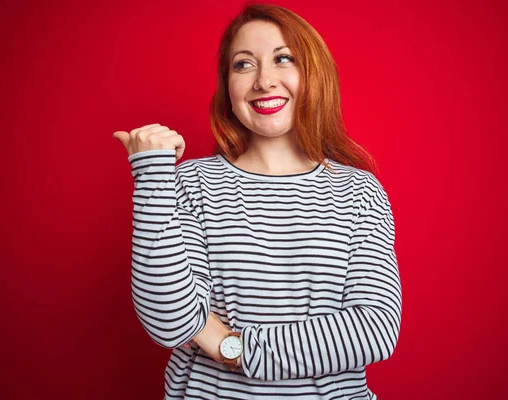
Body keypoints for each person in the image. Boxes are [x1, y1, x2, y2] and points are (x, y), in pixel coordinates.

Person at [113, 3, 401, 399]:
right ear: (227, 87)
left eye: (283, 59)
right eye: (244, 65)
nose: (264, 80)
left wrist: (232, 346)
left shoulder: (358, 191)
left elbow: (375, 329)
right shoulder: (188, 184)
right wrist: (152, 176)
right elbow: (170, 322)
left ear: (313, 75)